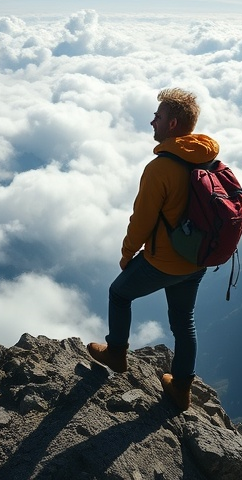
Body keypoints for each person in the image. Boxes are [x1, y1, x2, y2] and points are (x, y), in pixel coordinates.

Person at [87, 88, 219, 411]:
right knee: (184, 322)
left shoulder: (160, 169)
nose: (152, 121)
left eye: (157, 117)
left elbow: (142, 220)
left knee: (119, 294)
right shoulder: (207, 159)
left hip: (162, 262)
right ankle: (181, 389)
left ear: (172, 124)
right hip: (196, 261)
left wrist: (127, 252)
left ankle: (116, 353)